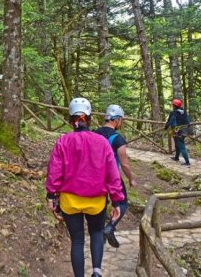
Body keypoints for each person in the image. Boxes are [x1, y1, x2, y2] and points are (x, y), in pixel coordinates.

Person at [45, 98, 124, 277]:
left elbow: (55, 171)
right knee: (96, 233)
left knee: (77, 241)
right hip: (96, 201)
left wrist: (51, 195)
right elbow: (113, 174)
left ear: (70, 119)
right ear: (89, 118)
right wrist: (117, 201)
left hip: (69, 201)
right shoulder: (102, 142)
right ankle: (96, 272)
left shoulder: (63, 142)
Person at [94, 104, 137, 248]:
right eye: (121, 120)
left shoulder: (94, 133)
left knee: (101, 203)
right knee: (122, 203)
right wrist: (131, 178)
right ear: (116, 120)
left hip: (95, 176)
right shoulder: (117, 138)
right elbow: (124, 164)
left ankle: (98, 235)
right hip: (112, 177)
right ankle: (110, 227)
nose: (121, 123)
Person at [165, 99, 191, 167]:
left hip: (177, 131)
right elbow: (188, 121)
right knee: (177, 144)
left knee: (182, 146)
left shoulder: (173, 113)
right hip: (185, 130)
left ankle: (187, 162)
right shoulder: (184, 112)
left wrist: (166, 127)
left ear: (174, 106)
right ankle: (176, 157)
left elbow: (169, 122)